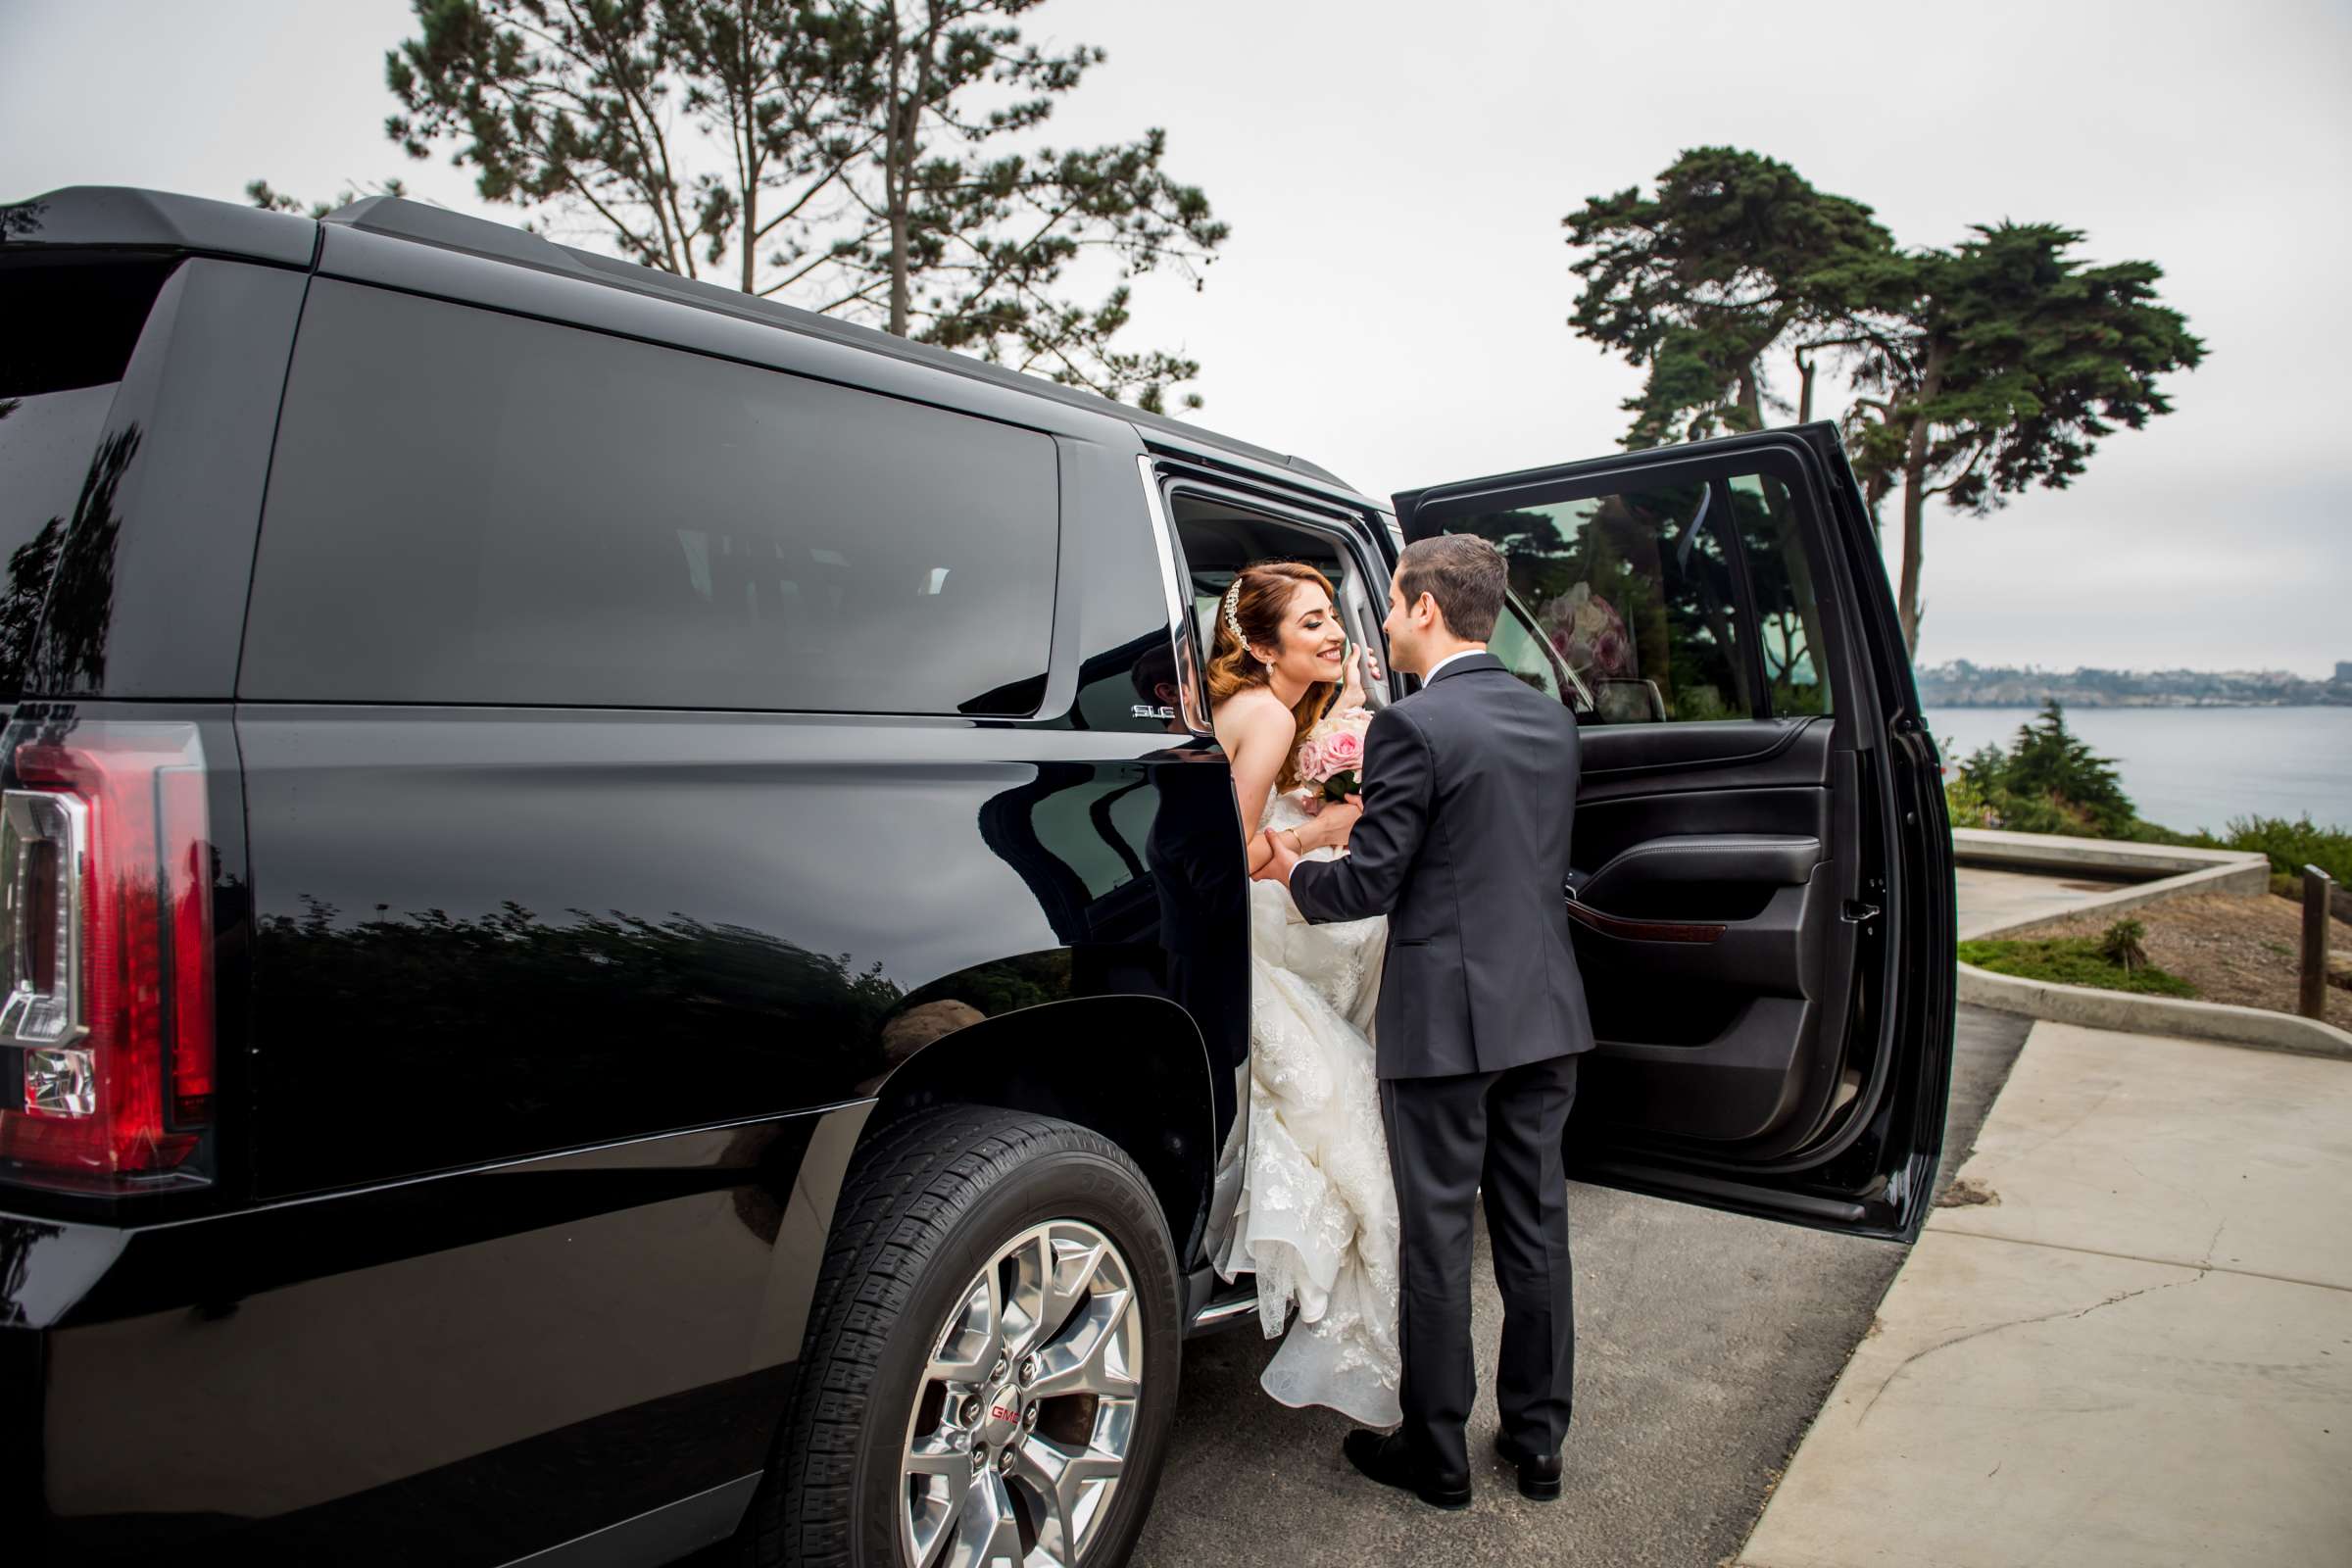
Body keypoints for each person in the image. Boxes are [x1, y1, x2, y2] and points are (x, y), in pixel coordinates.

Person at [1256, 534, 1594, 1509]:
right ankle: (1539, 1445)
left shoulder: (1413, 727)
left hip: (1446, 1024)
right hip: (1546, 1012)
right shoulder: (1550, 720)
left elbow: (1371, 879)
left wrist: (1290, 869)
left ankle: (1437, 1453)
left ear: (1427, 611)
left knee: (1440, 1235)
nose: (1386, 622)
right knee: (1536, 1232)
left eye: (1395, 605)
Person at [1203, 560, 1402, 1427]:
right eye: (1312, 621)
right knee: (1344, 1095)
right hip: (1244, 928)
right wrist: (1324, 829)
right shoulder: (1268, 719)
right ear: (1258, 642)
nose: (1334, 633)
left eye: (1335, 618)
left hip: (1262, 920)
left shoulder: (1273, 712)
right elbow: (1229, 851)